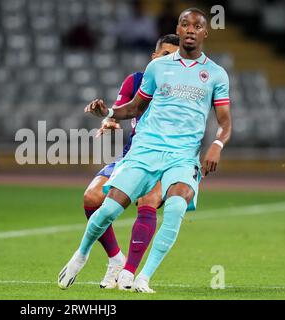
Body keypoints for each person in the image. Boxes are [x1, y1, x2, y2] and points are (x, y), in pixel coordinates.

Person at [58, 8, 232, 293]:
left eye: (196, 26)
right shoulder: (156, 69)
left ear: (204, 32)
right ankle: (82, 254)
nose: (190, 29)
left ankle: (141, 276)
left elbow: (225, 122)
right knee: (108, 209)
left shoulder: (215, 74)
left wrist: (216, 145)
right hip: (146, 149)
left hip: (183, 155)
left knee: (175, 207)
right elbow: (137, 107)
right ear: (179, 27)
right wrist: (110, 112)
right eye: (185, 24)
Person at [82, 34, 179, 289]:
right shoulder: (136, 81)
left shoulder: (182, 90)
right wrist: (108, 120)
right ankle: (115, 259)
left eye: (175, 55)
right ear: (154, 56)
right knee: (92, 197)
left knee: (147, 201)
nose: (170, 59)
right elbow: (119, 109)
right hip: (132, 155)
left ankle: (129, 273)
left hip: (166, 159)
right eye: (165, 54)